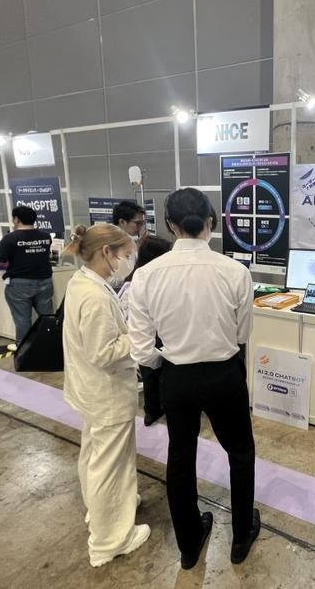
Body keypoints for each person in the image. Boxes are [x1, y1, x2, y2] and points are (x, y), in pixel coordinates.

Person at [128, 188, 259, 570]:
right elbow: (242, 333)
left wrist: (167, 362)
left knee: (180, 457)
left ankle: (188, 546)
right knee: (240, 452)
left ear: (170, 225)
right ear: (211, 222)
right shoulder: (235, 271)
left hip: (177, 377)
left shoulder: (146, 275)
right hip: (224, 374)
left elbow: (141, 350)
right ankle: (240, 537)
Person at [61, 223, 150, 568]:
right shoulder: (96, 297)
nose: (128, 261)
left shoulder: (83, 282)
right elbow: (103, 352)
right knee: (110, 464)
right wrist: (139, 335)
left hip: (90, 389)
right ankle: (110, 540)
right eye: (126, 254)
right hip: (106, 392)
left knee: (95, 455)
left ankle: (103, 511)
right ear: (107, 252)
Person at [0, 206, 53, 349]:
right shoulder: (45, 236)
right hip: (45, 280)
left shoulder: (10, 238)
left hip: (20, 284)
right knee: (47, 316)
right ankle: (51, 344)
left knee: (22, 318)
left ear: (16, 219)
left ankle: (23, 347)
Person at [118, 236, 173, 426]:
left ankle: (153, 410)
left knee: (150, 374)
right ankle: (157, 409)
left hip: (142, 335)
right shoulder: (148, 280)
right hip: (153, 334)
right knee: (155, 373)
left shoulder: (134, 277)